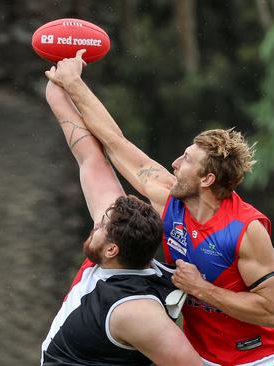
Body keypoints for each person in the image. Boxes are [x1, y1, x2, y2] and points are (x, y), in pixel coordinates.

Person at [45, 50, 274, 366]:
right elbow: (115, 143)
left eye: (186, 160)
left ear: (207, 178)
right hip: (197, 356)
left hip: (253, 361)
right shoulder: (169, 199)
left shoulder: (245, 230)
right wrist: (72, 83)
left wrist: (201, 289)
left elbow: (272, 311)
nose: (174, 163)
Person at [40, 80, 201, 366]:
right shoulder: (119, 250)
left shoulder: (134, 309)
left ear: (112, 249)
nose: (96, 224)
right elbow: (90, 158)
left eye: (100, 226)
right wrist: (57, 91)